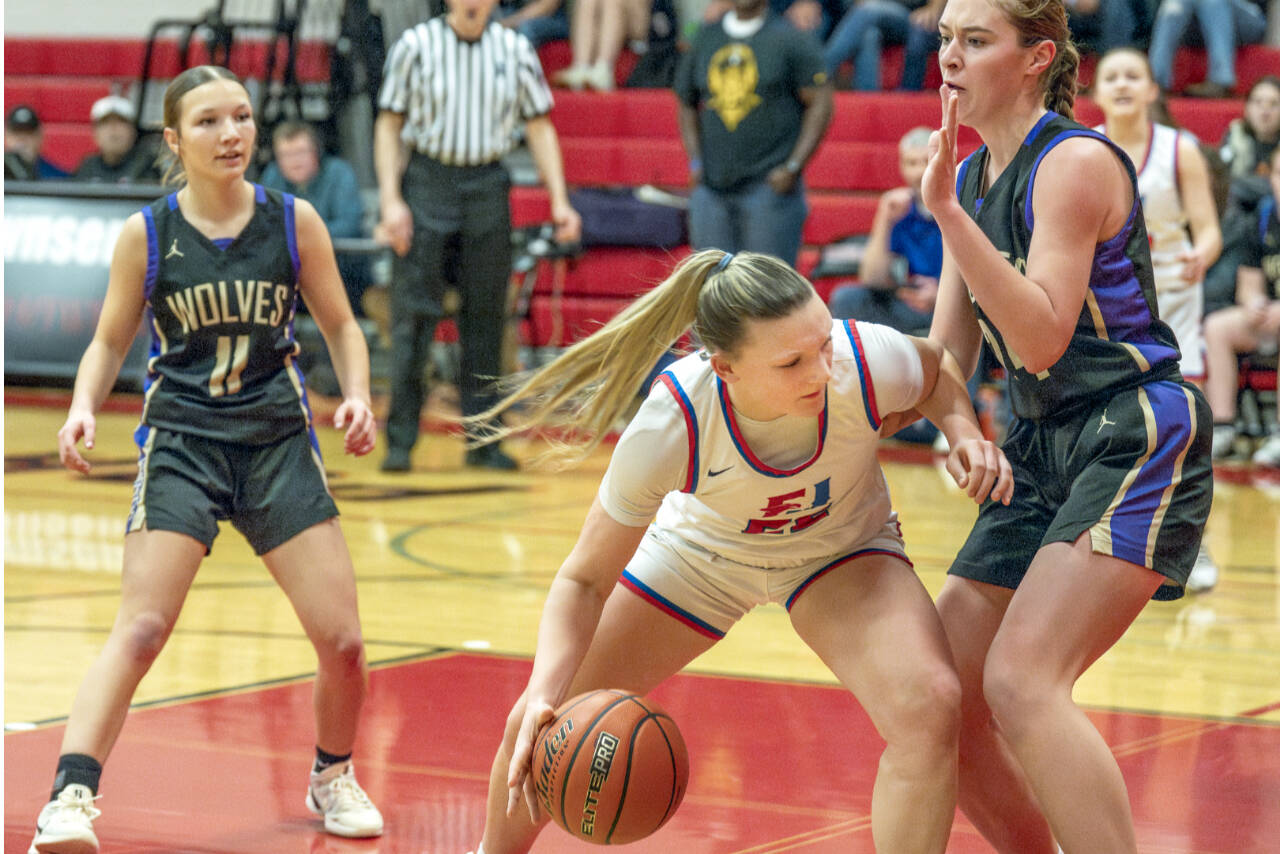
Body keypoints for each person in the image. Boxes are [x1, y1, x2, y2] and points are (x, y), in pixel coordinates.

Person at [465, 248, 1013, 854]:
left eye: (824, 342)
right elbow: (584, 581)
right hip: (703, 559)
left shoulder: (861, 359)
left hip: (839, 550)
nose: (821, 370)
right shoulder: (673, 420)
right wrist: (543, 689)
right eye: (791, 362)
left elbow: (934, 370)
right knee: (543, 720)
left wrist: (962, 431)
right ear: (724, 369)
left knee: (929, 706)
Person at [27, 66, 384, 853]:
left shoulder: (295, 222)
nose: (231, 134)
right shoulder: (147, 233)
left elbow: (345, 326)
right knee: (144, 626)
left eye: (242, 118)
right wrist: (84, 405)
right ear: (174, 140)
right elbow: (109, 340)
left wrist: (354, 391)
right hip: (185, 440)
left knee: (346, 643)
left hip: (277, 440)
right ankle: (70, 795)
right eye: (210, 122)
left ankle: (332, 774)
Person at [920, 0, 1214, 850]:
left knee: (1020, 679)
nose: (951, 57)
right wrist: (958, 430)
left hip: (1135, 427)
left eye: (976, 41)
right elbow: (946, 359)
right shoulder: (970, 178)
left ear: (1036, 57)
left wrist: (947, 218)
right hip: (1037, 444)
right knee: (944, 695)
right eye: (945, 38)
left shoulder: (1073, 161)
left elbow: (1043, 334)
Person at [374, 0, 582, 473]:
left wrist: (560, 200)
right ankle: (401, 441)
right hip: (427, 180)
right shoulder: (415, 45)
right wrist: (391, 199)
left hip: (487, 184)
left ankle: (484, 441)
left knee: (486, 318)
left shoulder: (514, 48)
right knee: (413, 317)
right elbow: (389, 124)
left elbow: (540, 125)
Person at [1093, 46, 1224, 592]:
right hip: (1114, 314)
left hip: (1173, 308)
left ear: (1151, 90)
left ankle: (1195, 548)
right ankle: (1111, 548)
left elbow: (1209, 228)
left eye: (1133, 76)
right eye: (1111, 77)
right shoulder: (1085, 149)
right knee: (1115, 434)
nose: (1122, 85)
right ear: (1096, 92)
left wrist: (1203, 255)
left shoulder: (1180, 150)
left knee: (1184, 434)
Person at [675, 0, 834, 268]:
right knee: (712, 291)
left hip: (769, 189)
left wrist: (793, 166)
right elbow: (685, 101)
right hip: (712, 188)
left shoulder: (790, 37)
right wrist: (695, 161)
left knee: (768, 294)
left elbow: (821, 102)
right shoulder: (706, 37)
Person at [1204, 146, 1280, 467]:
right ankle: (1222, 428)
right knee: (1217, 327)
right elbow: (1249, 283)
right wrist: (1253, 303)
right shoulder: (1262, 218)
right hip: (1272, 318)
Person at [829, 126, 941, 334]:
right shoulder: (898, 209)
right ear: (901, 167)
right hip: (906, 302)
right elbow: (872, 278)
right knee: (847, 298)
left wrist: (941, 296)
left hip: (949, 305)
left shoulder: (961, 203)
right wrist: (884, 218)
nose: (919, 171)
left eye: (926, 162)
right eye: (912, 163)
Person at [260, 120, 370, 315]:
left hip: (339, 272)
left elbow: (349, 225)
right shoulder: (272, 176)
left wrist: (299, 238)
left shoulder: (339, 173)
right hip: (288, 276)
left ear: (316, 151)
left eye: (301, 152)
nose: (294, 161)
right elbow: (261, 224)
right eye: (286, 155)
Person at [1147, 0, 1267, 98]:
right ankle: (1156, 83)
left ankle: (1221, 80)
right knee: (1173, 4)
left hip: (1246, 19)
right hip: (1197, 22)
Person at [823, 0, 940, 92]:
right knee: (869, 35)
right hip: (880, 17)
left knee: (865, 10)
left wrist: (933, 9)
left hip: (912, 15)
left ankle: (820, 71)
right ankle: (868, 100)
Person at [551, 0, 654, 91]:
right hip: (609, 23)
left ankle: (603, 69)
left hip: (641, 25)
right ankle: (581, 67)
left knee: (613, 2)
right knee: (587, 2)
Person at [72, 94, 163, 184]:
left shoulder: (148, 164)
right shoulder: (88, 166)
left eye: (121, 122)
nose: (113, 129)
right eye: (106, 123)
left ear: (133, 131)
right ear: (96, 134)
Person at [4, 104, 70, 180]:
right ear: (6, 136)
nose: (22, 139)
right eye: (16, 133)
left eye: (29, 133)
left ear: (40, 136)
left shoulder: (58, 178)